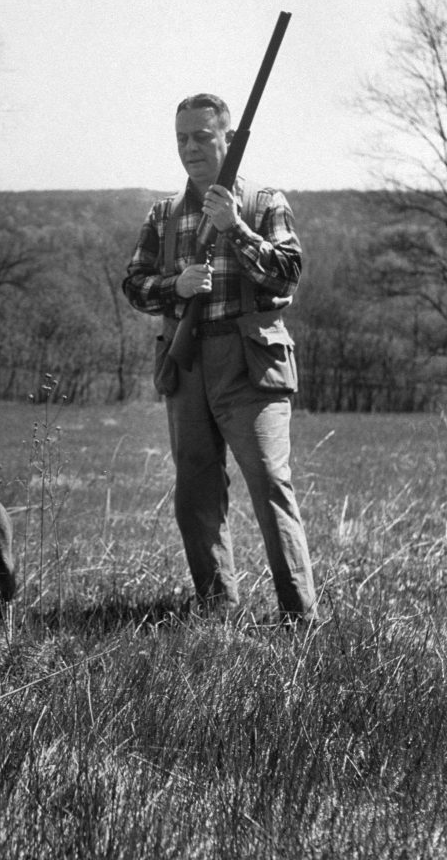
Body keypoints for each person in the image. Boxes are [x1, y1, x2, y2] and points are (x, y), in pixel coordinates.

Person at [122, 93, 317, 626]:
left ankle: (299, 619)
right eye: (182, 138)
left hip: (249, 361)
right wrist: (174, 284)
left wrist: (235, 227)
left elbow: (287, 276)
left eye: (202, 137)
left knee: (270, 485)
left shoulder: (264, 200)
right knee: (196, 490)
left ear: (228, 140)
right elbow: (135, 287)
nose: (190, 147)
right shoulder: (163, 213)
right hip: (186, 364)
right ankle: (215, 609)